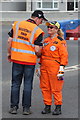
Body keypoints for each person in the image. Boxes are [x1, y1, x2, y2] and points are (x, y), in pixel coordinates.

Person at [7, 10, 47, 115]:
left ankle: (13, 107)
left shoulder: (17, 24)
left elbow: (9, 40)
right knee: (28, 84)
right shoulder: (37, 31)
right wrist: (39, 56)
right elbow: (37, 49)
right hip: (29, 61)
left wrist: (9, 54)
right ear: (37, 18)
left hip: (16, 59)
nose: (41, 23)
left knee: (15, 84)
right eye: (41, 21)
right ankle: (26, 108)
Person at [39, 21, 68, 115]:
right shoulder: (46, 41)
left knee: (56, 88)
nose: (49, 29)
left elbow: (64, 56)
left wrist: (61, 69)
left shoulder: (60, 41)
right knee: (45, 87)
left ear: (57, 29)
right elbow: (42, 55)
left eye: (51, 27)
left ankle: (58, 107)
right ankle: (47, 106)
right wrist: (39, 67)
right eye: (48, 27)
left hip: (55, 67)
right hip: (44, 66)